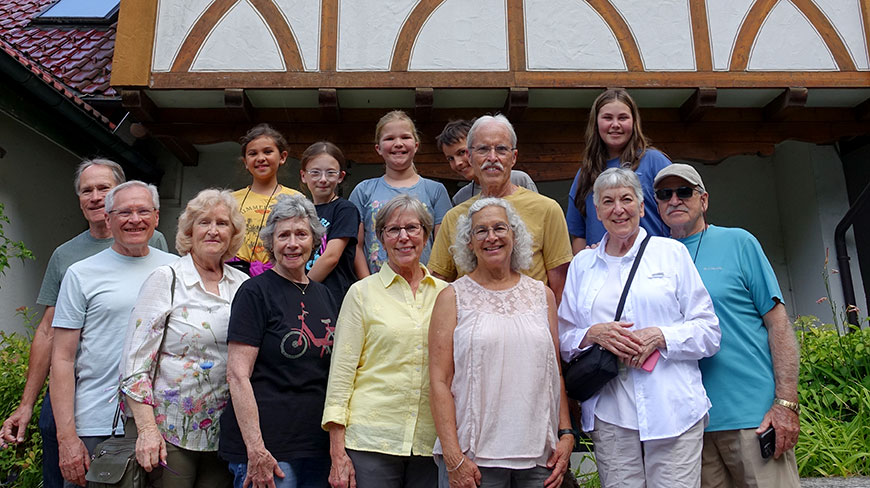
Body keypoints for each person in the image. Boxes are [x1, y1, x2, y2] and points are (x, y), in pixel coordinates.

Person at [0, 159, 168, 488]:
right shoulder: (68, 258)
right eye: (86, 190)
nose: (94, 197)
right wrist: (26, 405)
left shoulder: (156, 246)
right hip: (80, 394)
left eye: (103, 188)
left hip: (143, 404)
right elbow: (50, 331)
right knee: (65, 463)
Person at [558, 168, 720, 487]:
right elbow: (564, 338)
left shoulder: (671, 254)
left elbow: (709, 331)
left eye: (626, 199)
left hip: (673, 405)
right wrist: (593, 334)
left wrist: (661, 335)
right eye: (608, 201)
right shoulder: (582, 265)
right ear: (598, 212)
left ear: (642, 207)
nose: (618, 208)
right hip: (610, 410)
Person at [653, 164, 800, 487]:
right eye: (665, 194)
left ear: (703, 200)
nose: (674, 200)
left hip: (752, 419)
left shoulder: (739, 243)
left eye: (684, 192)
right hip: (688, 426)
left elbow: (777, 323)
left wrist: (786, 403)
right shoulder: (654, 257)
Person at [429, 198, 573, 488]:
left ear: (514, 235)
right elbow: (439, 381)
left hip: (540, 458)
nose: (491, 237)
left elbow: (554, 371)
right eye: (480, 231)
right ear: (468, 243)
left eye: (499, 228)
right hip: (476, 459)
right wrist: (454, 456)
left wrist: (566, 433)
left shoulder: (541, 295)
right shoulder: (452, 297)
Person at [50, 181, 176, 488]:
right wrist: (67, 437)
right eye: (124, 212)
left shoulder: (178, 270)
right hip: (97, 424)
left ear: (157, 217)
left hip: (165, 424)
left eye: (143, 211)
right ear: (108, 219)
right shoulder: (80, 274)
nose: (135, 219)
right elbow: (63, 359)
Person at [120, 189, 249, 487]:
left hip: (224, 431)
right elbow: (134, 364)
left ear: (233, 233)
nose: (214, 230)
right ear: (190, 230)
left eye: (223, 223)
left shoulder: (243, 284)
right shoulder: (167, 278)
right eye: (204, 222)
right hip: (169, 430)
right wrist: (147, 430)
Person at [323, 194, 448, 488]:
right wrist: (337, 450)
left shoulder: (446, 295)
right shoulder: (361, 293)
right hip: (371, 441)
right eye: (393, 230)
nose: (403, 237)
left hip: (432, 442)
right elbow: (341, 374)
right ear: (380, 238)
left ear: (427, 235)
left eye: (413, 228)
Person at [219, 194, 337, 488]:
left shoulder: (324, 294)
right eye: (283, 235)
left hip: (315, 446)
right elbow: (237, 374)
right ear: (271, 243)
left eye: (301, 234)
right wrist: (256, 449)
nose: (293, 244)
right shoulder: (254, 292)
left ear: (314, 241)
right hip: (268, 448)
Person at [428, 114, 572, 302]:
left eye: (501, 149)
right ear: (470, 157)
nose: (492, 157)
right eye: (483, 149)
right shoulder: (454, 217)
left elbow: (560, 289)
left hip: (530, 325)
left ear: (513, 157)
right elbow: (437, 284)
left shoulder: (547, 209)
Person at [567, 88, 671, 254]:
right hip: (605, 270)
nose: (615, 125)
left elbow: (679, 218)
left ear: (634, 122)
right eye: (608, 118)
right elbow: (579, 234)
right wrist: (586, 261)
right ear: (596, 123)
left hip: (651, 266)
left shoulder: (654, 162)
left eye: (623, 118)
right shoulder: (585, 173)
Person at [349, 110, 452, 277]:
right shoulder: (363, 190)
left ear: (416, 145)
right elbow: (356, 246)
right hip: (378, 288)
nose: (398, 143)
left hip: (424, 289)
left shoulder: (435, 190)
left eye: (405, 137)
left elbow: (443, 247)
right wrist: (367, 285)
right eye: (389, 138)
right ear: (378, 148)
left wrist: (430, 284)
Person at [231, 123, 302, 276]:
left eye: (268, 152)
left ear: (282, 157)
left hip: (281, 273)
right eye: (253, 153)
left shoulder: (296, 199)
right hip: (234, 273)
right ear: (245, 162)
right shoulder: (230, 200)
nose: (260, 158)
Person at [300, 141, 359, 307]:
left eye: (330, 173)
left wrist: (301, 288)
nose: (323, 179)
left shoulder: (345, 209)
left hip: (332, 296)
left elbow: (331, 257)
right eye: (315, 173)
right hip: (304, 293)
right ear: (304, 176)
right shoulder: (300, 210)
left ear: (340, 176)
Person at [435, 119, 538, 205]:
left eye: (462, 152)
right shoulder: (460, 199)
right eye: (450, 159)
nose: (458, 163)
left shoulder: (519, 180)